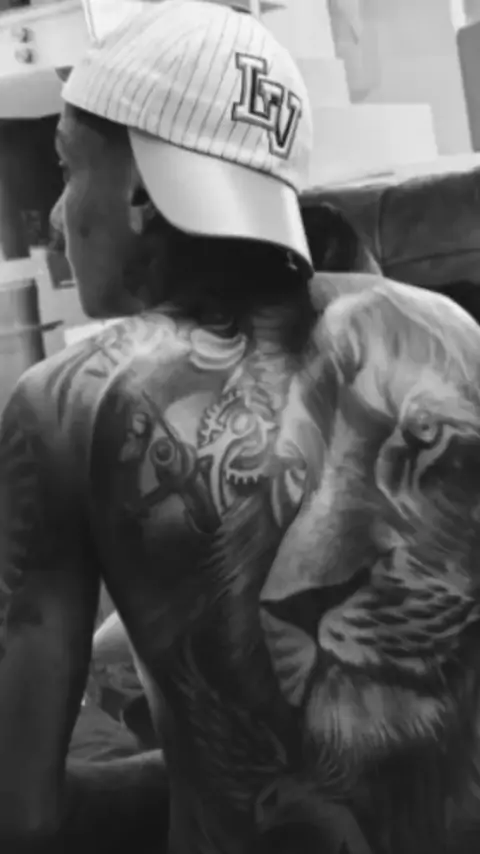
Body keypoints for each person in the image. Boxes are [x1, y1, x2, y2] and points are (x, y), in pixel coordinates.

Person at [0, 2, 373, 853]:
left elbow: (21, 814)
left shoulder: (68, 401)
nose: (56, 215)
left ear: (140, 191)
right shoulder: (449, 336)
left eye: (66, 167)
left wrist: (219, 780)